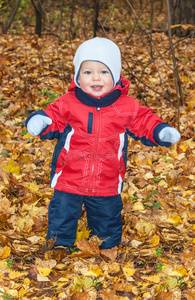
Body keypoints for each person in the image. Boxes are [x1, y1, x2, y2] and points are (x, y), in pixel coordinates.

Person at [25, 37, 180, 249]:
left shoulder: (127, 106)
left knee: (107, 220)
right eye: (88, 72)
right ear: (78, 76)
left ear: (115, 76)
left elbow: (145, 121)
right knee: (62, 214)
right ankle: (59, 247)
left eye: (104, 72)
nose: (95, 78)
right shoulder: (68, 103)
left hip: (106, 179)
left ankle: (106, 249)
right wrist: (40, 121)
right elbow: (53, 117)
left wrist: (161, 131)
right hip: (68, 176)